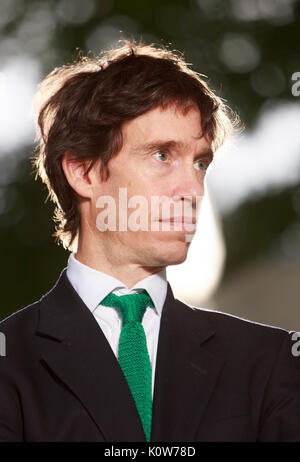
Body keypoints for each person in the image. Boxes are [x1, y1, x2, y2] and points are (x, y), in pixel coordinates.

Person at [0, 40, 299, 442]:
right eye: (161, 155)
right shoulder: (9, 363)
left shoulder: (270, 361)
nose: (192, 189)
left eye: (200, 163)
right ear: (83, 172)